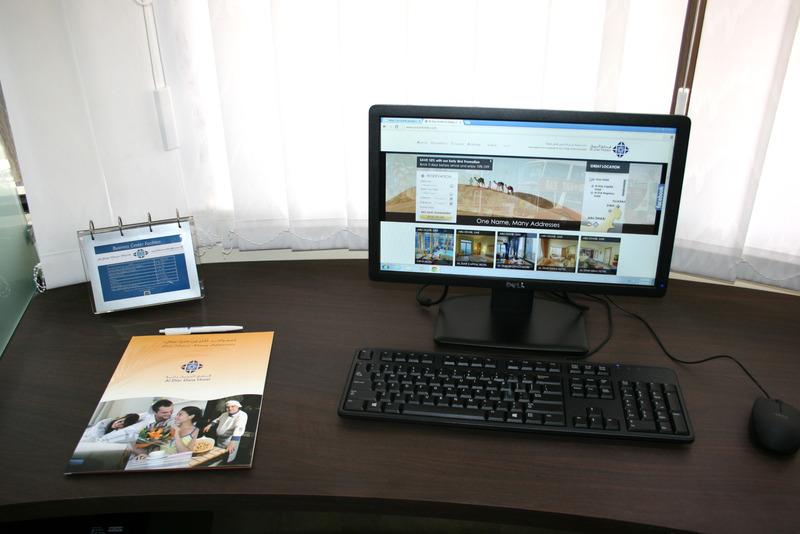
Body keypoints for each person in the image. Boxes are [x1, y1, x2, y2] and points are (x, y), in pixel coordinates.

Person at [97, 399, 174, 446]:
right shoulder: (142, 422)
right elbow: (125, 429)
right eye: (164, 412)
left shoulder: (171, 419)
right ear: (154, 412)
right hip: (109, 440)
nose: (169, 414)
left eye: (171, 411)